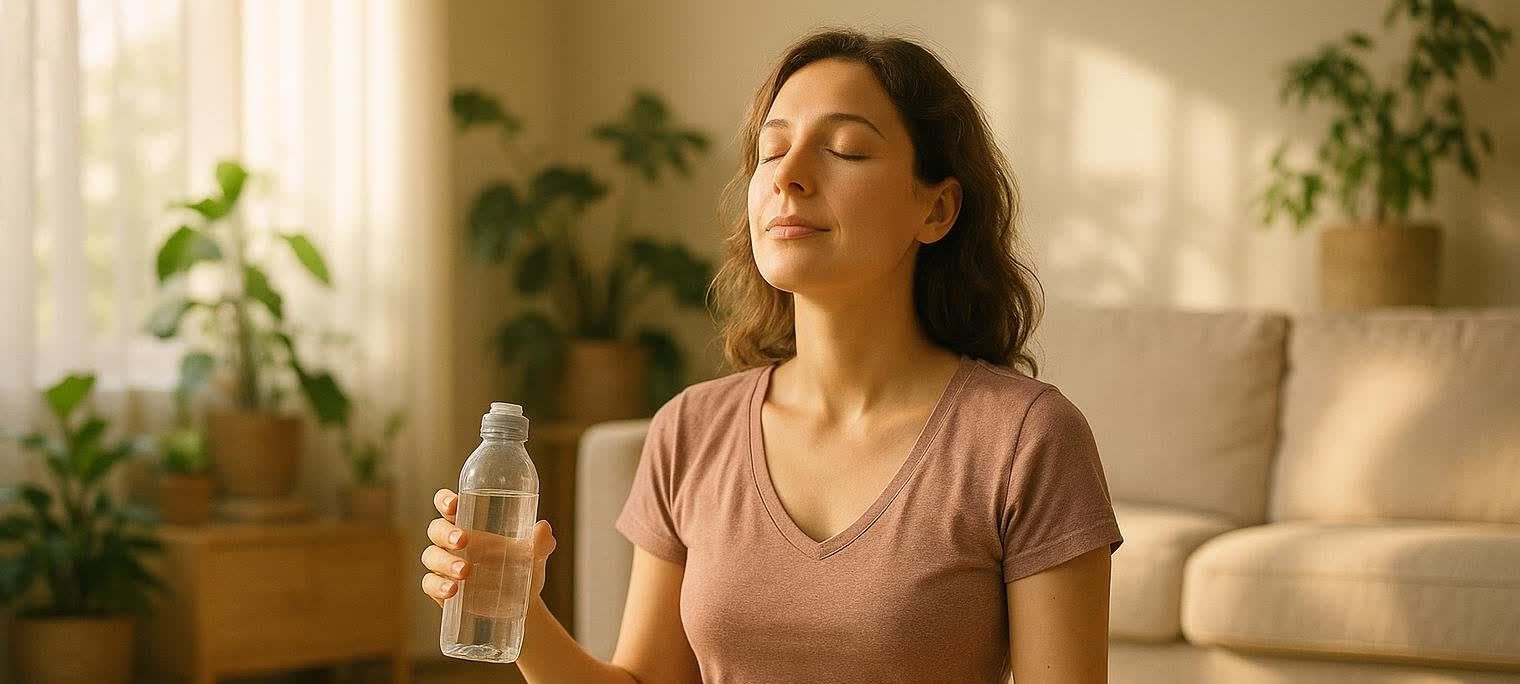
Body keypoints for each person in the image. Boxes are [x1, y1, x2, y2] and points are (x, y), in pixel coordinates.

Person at [421, 27, 1123, 683]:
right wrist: (518, 612)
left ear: (936, 210)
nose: (788, 177)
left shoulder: (1025, 439)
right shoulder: (689, 430)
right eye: (771, 151)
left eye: (844, 149)